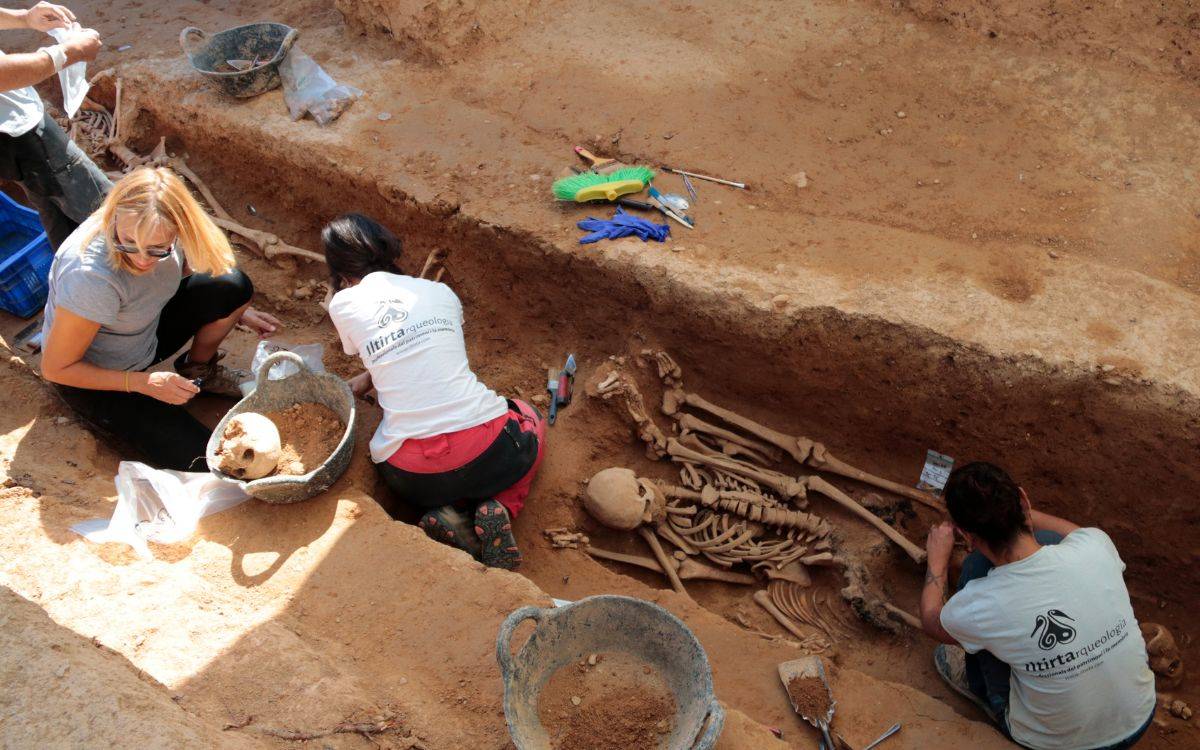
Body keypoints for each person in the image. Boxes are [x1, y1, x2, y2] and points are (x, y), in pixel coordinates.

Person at [323, 213, 545, 570]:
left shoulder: (342, 305)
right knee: (529, 415)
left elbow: (382, 350)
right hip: (489, 452)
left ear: (340, 269)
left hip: (410, 477)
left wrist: (367, 378)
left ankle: (450, 514)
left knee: (439, 471)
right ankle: (501, 505)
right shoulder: (440, 292)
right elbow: (430, 350)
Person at [40, 166, 281, 471]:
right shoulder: (90, 277)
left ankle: (200, 372)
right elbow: (55, 368)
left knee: (233, 286)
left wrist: (237, 310)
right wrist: (142, 382)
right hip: (93, 377)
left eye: (158, 250)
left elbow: (181, 273)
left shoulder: (164, 231)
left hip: (142, 334)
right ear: (113, 216)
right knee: (207, 463)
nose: (142, 260)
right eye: (128, 242)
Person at [920, 461, 1156, 750]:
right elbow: (1073, 532)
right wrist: (1014, 508)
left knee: (973, 576)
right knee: (1046, 541)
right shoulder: (1095, 545)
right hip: (1141, 715)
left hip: (1056, 744)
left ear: (967, 537)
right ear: (1024, 500)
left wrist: (937, 559)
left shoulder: (979, 604)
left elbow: (931, 620)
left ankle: (980, 690)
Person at [1, 3, 110, 249]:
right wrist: (70, 52)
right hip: (18, 132)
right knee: (107, 211)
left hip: (15, 120)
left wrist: (23, 18)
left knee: (54, 210)